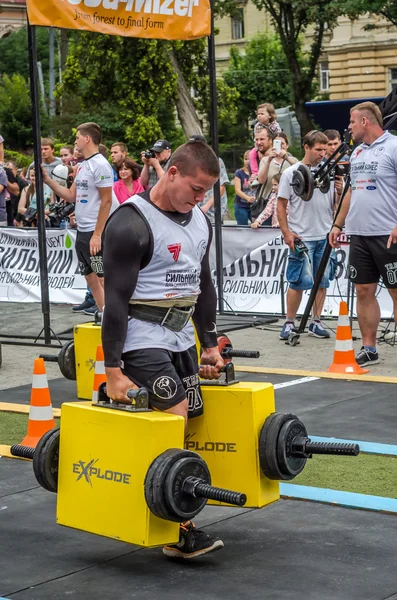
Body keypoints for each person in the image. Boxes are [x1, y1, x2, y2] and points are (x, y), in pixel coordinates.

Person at [102, 140, 225, 559]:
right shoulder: (131, 224)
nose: (200, 198)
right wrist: (113, 369)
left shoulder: (200, 222)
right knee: (174, 413)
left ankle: (160, 501)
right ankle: (178, 527)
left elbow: (203, 285)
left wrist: (209, 345)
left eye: (206, 191)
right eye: (195, 188)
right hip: (140, 336)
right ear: (170, 173)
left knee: (189, 416)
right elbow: (115, 301)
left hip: (180, 337)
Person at [329, 101, 397, 367]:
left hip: (388, 234)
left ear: (366, 122)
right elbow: (350, 192)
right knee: (364, 290)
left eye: (352, 121)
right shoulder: (356, 153)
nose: (349, 126)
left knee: (395, 291)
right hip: (360, 235)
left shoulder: (393, 146)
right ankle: (369, 347)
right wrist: (337, 225)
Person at [42, 122, 117, 312]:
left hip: (95, 231)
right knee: (90, 276)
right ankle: (103, 314)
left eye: (77, 137)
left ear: (87, 138)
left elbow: (106, 201)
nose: (75, 141)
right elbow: (70, 196)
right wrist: (48, 180)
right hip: (82, 230)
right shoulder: (83, 165)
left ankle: (115, 318)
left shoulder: (100, 165)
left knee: (102, 276)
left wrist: (98, 234)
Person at [277, 130, 343, 341]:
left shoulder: (329, 171)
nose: (323, 153)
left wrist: (340, 192)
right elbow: (281, 204)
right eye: (318, 150)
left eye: (325, 149)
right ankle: (289, 322)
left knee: (322, 281)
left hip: (324, 234)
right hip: (302, 236)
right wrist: (287, 233)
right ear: (306, 147)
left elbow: (336, 203)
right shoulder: (292, 172)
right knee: (297, 281)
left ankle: (315, 321)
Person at [249, 103, 282, 175]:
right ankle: (256, 173)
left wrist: (271, 148)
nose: (259, 116)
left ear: (270, 115)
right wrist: (258, 151)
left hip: (274, 146)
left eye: (262, 114)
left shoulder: (275, 125)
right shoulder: (257, 125)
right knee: (251, 153)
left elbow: (278, 137)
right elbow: (256, 139)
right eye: (258, 114)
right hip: (260, 146)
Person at [233, 150, 256, 225]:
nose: (247, 161)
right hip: (241, 205)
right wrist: (248, 198)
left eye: (249, 159)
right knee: (242, 227)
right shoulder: (239, 173)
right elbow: (237, 190)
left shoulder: (257, 172)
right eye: (245, 159)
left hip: (254, 206)